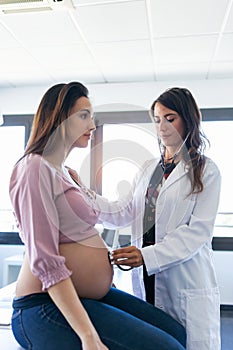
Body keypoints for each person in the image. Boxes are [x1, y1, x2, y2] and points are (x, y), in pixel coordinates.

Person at [9, 82, 186, 350]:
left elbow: (91, 221)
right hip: (42, 306)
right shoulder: (34, 168)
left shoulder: (64, 171)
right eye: (83, 115)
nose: (92, 125)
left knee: (176, 332)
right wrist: (88, 336)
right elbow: (44, 259)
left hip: (86, 294)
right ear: (59, 119)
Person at [95, 87, 221, 350]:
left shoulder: (206, 170)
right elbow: (123, 211)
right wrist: (82, 194)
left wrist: (146, 255)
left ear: (188, 119)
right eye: (157, 119)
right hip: (147, 281)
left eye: (170, 118)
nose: (162, 127)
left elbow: (197, 232)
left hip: (185, 281)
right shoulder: (148, 169)